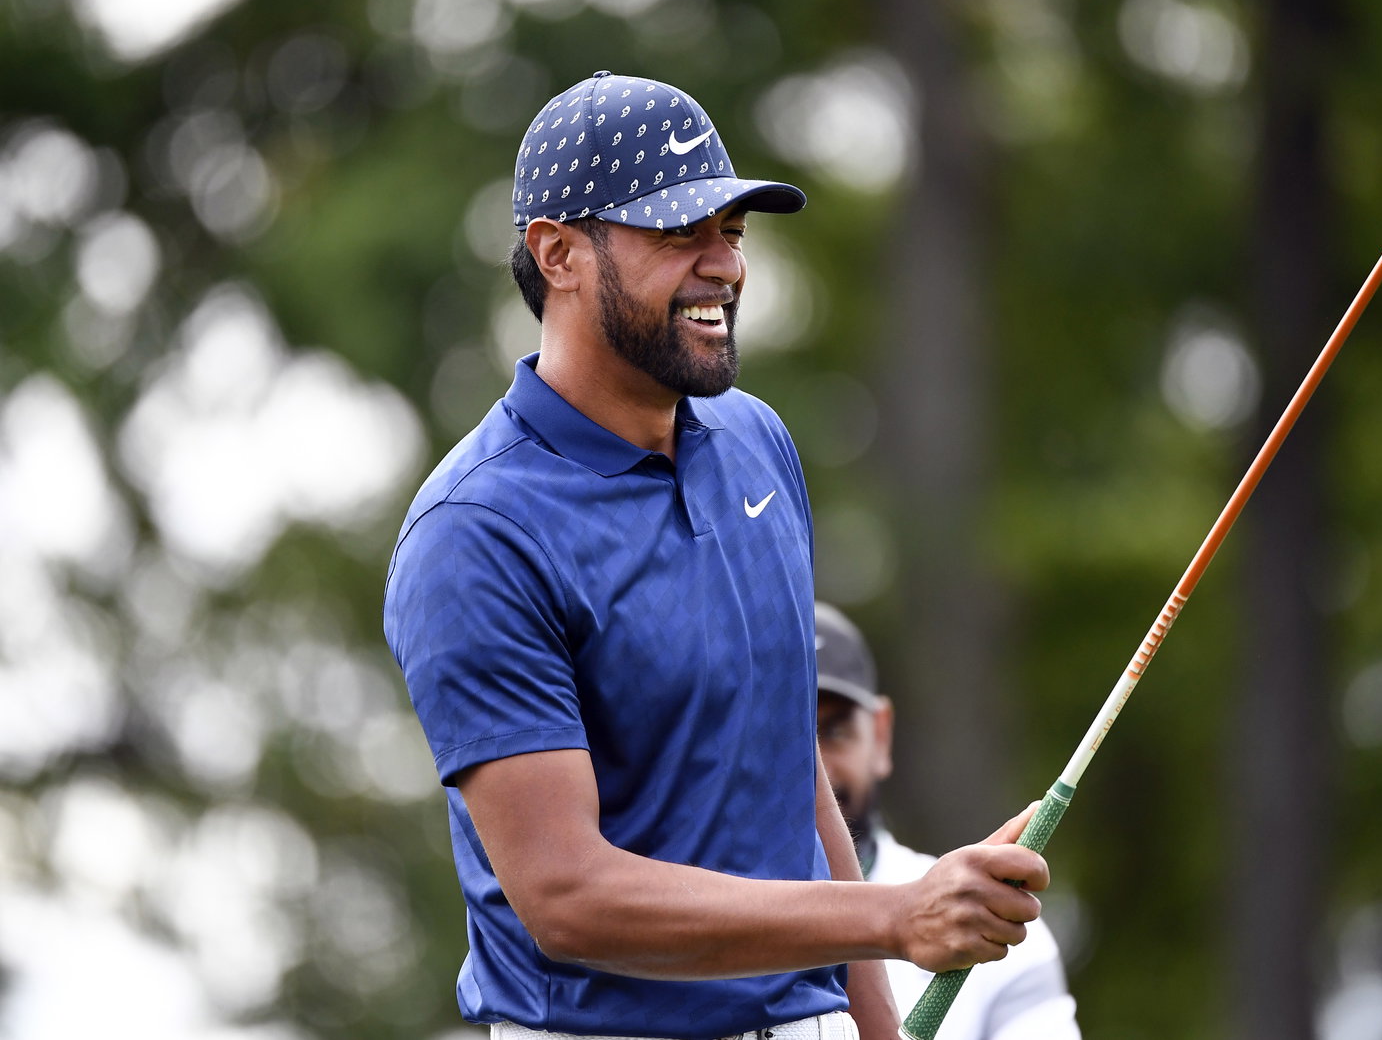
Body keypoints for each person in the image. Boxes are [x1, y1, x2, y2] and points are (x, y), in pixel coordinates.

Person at [383, 71, 1050, 1040]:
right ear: (557, 253)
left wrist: (876, 1026)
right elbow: (565, 897)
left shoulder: (754, 439)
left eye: (731, 232)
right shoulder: (476, 531)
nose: (724, 267)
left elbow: (790, 761)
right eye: (676, 234)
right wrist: (893, 916)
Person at [814, 602, 1084, 1040]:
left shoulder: (1000, 929)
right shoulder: (698, 923)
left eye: (836, 731)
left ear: (880, 736)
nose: (817, 772)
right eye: (789, 735)